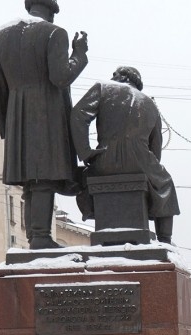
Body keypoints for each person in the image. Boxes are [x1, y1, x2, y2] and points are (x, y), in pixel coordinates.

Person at [0, 0, 89, 249]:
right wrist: (79, 54)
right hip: (47, 114)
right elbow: (61, 76)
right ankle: (41, 236)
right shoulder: (54, 33)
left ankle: (36, 235)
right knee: (43, 177)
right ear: (51, 11)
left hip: (16, 117)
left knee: (30, 182)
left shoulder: (2, 36)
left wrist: (6, 127)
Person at [71, 66, 180, 244]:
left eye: (115, 74)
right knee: (165, 183)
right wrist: (148, 170)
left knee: (75, 177)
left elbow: (78, 115)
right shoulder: (150, 103)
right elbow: (156, 147)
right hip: (141, 162)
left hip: (104, 161)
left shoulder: (103, 88)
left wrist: (86, 153)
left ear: (122, 77)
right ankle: (165, 240)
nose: (112, 77)